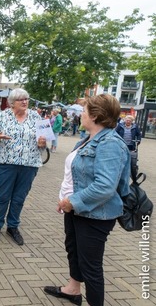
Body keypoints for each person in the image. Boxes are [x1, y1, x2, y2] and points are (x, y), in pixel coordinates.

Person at [44, 94, 130, 306]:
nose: (80, 114)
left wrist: (71, 201)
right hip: (76, 210)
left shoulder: (110, 143)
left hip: (95, 215)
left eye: (84, 111)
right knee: (74, 250)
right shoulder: (89, 138)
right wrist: (67, 201)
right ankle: (73, 290)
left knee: (91, 266)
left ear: (96, 116)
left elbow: (104, 186)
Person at [0, 88, 47, 246]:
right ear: (12, 103)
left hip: (29, 164)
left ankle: (12, 227)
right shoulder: (3, 116)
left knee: (19, 198)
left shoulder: (36, 116)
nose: (25, 102)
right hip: (7, 164)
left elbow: (45, 141)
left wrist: (43, 143)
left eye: (26, 98)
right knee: (3, 197)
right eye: (21, 99)